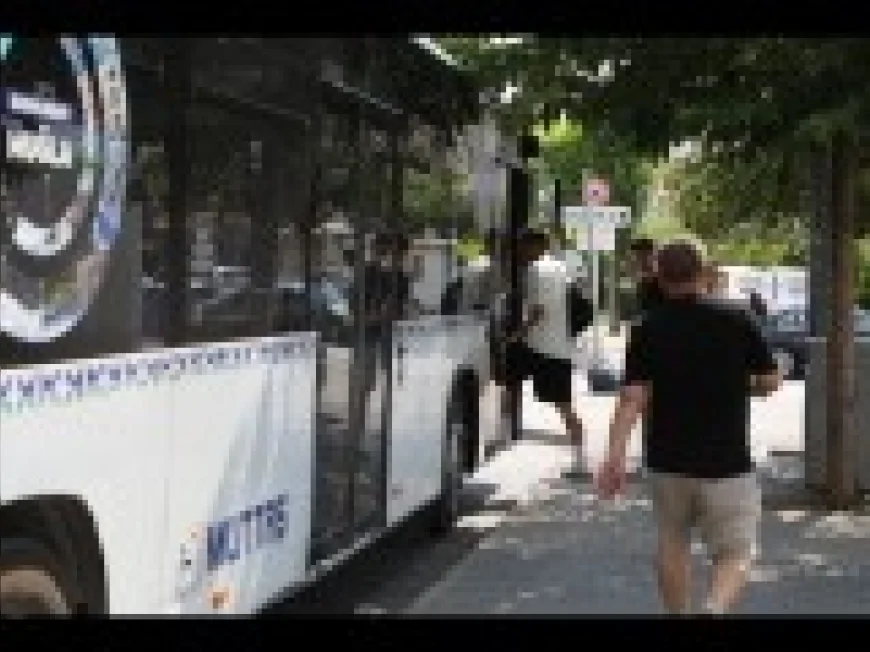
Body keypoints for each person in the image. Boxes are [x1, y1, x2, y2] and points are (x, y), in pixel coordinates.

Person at [597, 237, 783, 616]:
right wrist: (741, 383)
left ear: (659, 276)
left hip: (667, 461)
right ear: (705, 272)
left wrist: (614, 457)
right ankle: (713, 609)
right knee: (736, 553)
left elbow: (632, 398)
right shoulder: (738, 317)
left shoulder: (647, 327)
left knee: (672, 541)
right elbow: (770, 380)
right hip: (727, 463)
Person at [501, 228, 587, 475]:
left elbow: (539, 311)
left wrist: (517, 334)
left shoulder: (539, 269)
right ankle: (503, 429)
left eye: (522, 246)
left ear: (535, 246)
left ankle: (580, 460)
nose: (520, 252)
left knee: (563, 405)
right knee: (510, 377)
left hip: (547, 348)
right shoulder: (560, 267)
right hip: (550, 347)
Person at [629, 237, 666, 318]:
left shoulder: (666, 289)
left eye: (648, 254)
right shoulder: (636, 290)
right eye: (639, 256)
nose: (643, 260)